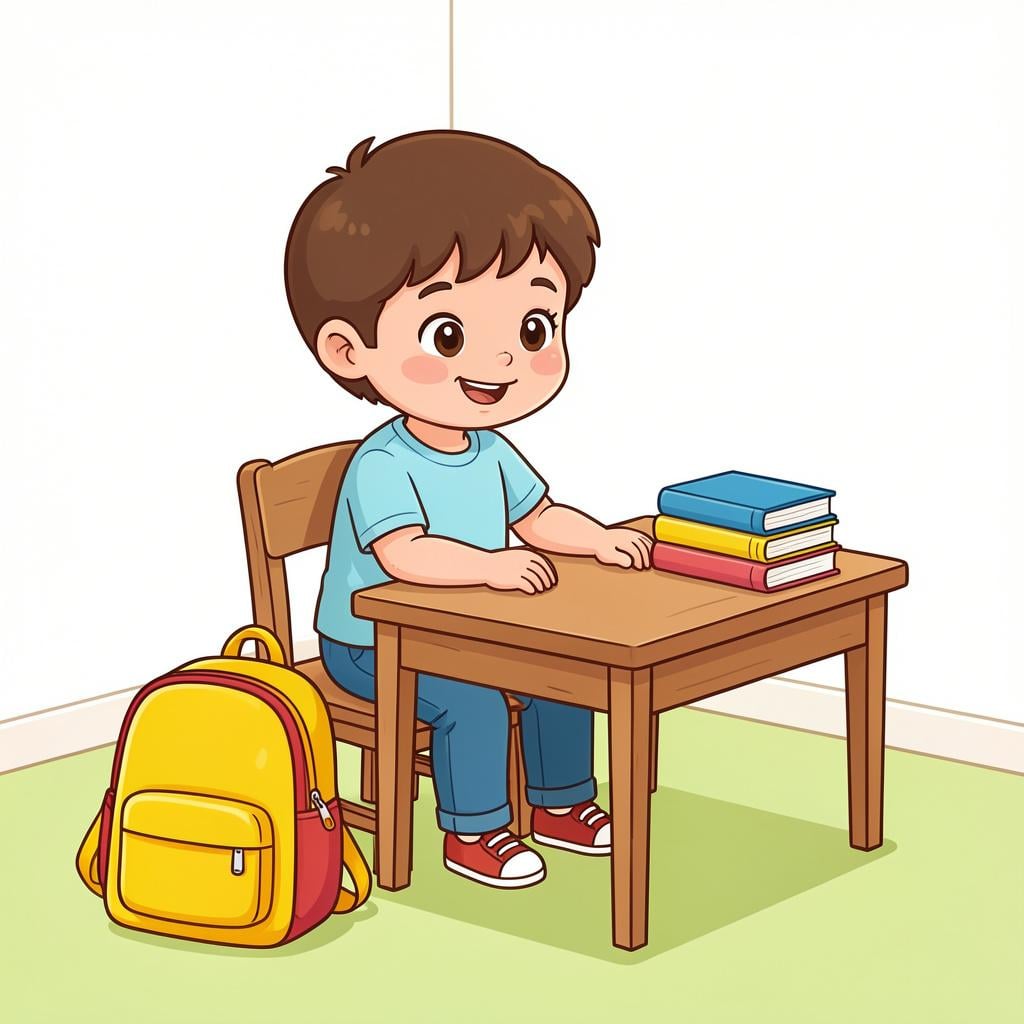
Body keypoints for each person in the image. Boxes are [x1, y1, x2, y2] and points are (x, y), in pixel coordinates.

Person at [284, 131, 653, 889]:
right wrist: (490, 569)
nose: (504, 359)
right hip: (372, 642)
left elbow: (539, 514)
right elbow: (404, 555)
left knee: (563, 669)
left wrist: (598, 540)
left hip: (468, 623)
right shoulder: (382, 462)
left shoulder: (488, 451)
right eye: (447, 333)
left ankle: (556, 803)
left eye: (533, 327)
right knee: (472, 700)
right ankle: (475, 833)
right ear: (350, 351)